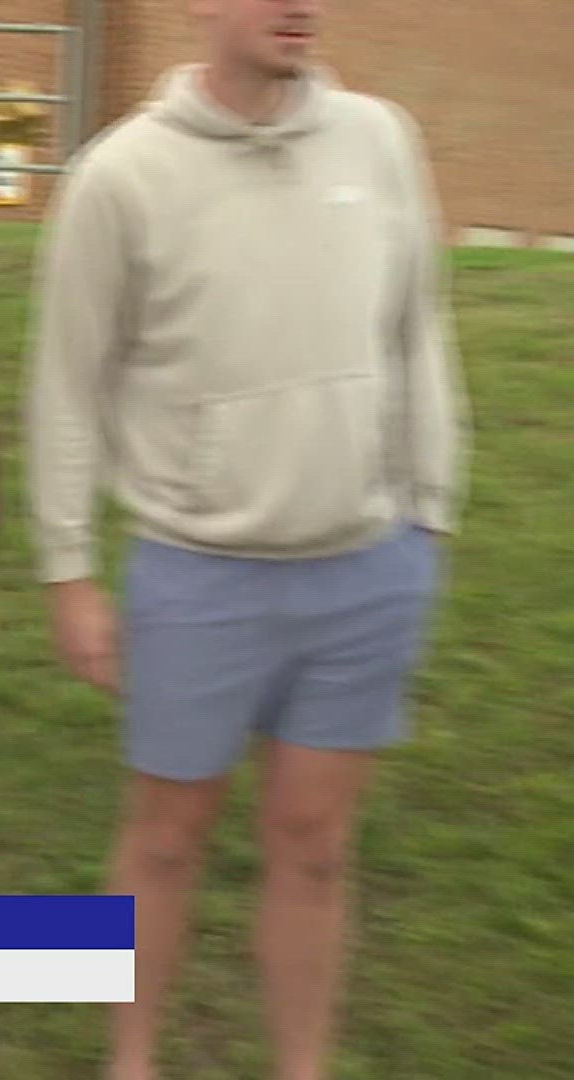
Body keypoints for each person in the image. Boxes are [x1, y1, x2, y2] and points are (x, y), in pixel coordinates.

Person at [23, 3, 467, 1079]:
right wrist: (70, 568)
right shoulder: (121, 175)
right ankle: (130, 1060)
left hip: (367, 568)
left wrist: (431, 512)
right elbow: (66, 383)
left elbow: (419, 329)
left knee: (315, 848)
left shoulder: (380, 139)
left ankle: (300, 1066)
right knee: (165, 840)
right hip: (198, 573)